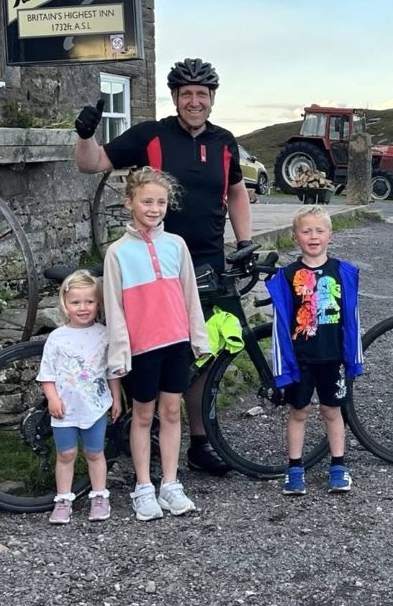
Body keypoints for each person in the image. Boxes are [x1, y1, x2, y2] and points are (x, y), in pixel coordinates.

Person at [74, 57, 250, 476]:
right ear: (175, 98)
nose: (194, 101)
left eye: (201, 95)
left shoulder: (225, 142)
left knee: (205, 351)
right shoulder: (151, 135)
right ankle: (142, 427)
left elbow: (237, 193)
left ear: (211, 100)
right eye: (186, 94)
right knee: (149, 346)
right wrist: (84, 135)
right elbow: (91, 162)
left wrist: (244, 242)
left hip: (205, 260)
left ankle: (199, 441)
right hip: (152, 264)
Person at [104, 168, 211, 520]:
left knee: (170, 413)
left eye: (161, 202)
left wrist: (198, 338)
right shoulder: (118, 253)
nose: (154, 208)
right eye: (147, 201)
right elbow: (114, 308)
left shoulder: (176, 245)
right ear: (130, 202)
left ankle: (169, 483)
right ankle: (143, 487)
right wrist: (119, 355)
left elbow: (189, 295)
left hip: (175, 342)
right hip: (142, 348)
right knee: (143, 415)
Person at [265, 206, 363, 496]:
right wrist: (282, 365)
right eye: (306, 231)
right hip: (301, 359)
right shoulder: (286, 276)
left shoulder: (342, 272)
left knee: (333, 411)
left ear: (330, 235)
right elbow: (281, 324)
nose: (313, 236)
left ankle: (338, 465)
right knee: (299, 411)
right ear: (295, 237)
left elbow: (352, 318)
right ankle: (294, 468)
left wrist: (353, 359)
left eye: (319, 230)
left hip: (332, 357)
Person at [37, 269, 118, 524]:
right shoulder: (57, 338)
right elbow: (46, 374)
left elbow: (111, 371)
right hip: (65, 409)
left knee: (95, 453)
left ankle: (99, 496)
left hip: (94, 406)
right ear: (65, 304)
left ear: (98, 304)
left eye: (89, 302)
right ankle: (63, 499)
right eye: (76, 302)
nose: (83, 308)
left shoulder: (104, 335)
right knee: (66, 454)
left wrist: (116, 397)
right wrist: (52, 398)